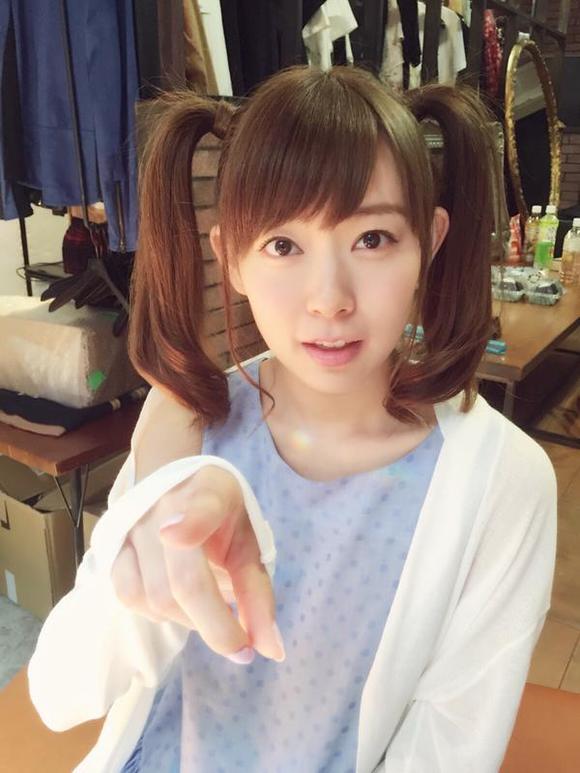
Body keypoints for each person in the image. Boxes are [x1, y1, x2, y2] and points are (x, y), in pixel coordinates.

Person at [28, 66, 557, 772]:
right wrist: (153, 556)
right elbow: (60, 695)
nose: (329, 298)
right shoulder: (188, 421)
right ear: (231, 259)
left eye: (373, 239)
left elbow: (448, 747)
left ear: (429, 242)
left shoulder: (502, 481)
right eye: (283, 245)